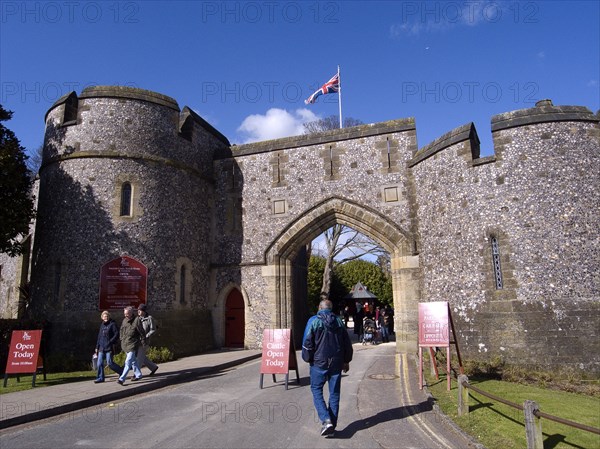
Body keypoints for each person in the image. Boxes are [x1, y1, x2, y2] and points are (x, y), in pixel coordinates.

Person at [302, 298, 353, 438]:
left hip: (319, 362)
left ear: (319, 307)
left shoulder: (313, 321)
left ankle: (326, 420)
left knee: (316, 389)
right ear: (331, 308)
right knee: (334, 393)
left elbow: (307, 343)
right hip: (336, 362)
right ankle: (332, 425)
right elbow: (346, 343)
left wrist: (308, 358)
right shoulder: (338, 322)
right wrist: (346, 360)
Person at [117, 306, 146, 385]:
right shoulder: (124, 320)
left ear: (131, 313)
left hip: (133, 344)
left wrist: (143, 342)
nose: (125, 315)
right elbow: (121, 330)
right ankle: (138, 374)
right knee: (133, 361)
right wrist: (121, 338)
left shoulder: (137, 320)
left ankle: (122, 379)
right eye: (125, 314)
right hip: (125, 344)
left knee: (128, 361)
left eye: (127, 314)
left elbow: (142, 332)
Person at [94, 311, 123, 383]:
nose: (105, 318)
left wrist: (110, 341)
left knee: (110, 363)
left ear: (109, 317)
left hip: (109, 347)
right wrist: (97, 347)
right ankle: (100, 378)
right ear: (102, 317)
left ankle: (121, 371)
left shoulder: (112, 324)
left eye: (107, 316)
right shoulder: (102, 325)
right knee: (99, 363)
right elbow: (99, 337)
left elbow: (116, 334)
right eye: (104, 316)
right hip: (101, 347)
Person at [136, 303, 159, 376]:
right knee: (141, 356)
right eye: (138, 310)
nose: (138, 312)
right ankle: (153, 367)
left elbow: (153, 329)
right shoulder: (138, 319)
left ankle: (137, 373)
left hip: (145, 341)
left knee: (139, 358)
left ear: (144, 311)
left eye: (140, 310)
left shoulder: (149, 318)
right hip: (137, 340)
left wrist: (146, 336)